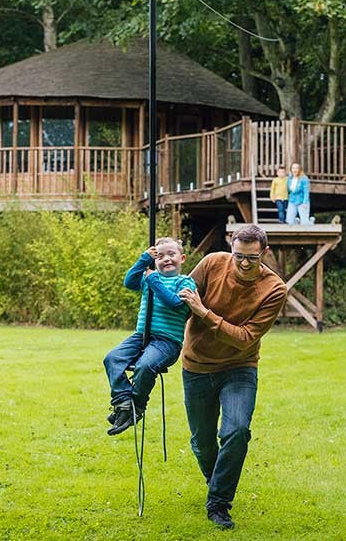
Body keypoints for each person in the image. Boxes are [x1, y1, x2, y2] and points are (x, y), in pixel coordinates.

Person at [178, 224, 287, 529]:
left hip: (240, 367)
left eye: (251, 258)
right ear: (231, 248)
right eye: (238, 255)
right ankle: (218, 484)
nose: (242, 263)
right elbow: (180, 304)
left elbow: (244, 338)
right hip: (196, 365)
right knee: (202, 443)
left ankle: (218, 504)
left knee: (237, 431)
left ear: (264, 254)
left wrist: (205, 313)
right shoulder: (212, 264)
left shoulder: (274, 288)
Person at [103, 237, 197, 436]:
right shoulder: (148, 277)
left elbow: (174, 302)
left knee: (145, 366)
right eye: (160, 256)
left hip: (167, 342)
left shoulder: (186, 282)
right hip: (141, 336)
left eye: (171, 254)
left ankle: (137, 406)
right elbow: (129, 282)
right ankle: (123, 402)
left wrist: (153, 279)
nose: (166, 259)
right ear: (155, 261)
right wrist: (143, 259)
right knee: (112, 358)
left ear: (182, 258)